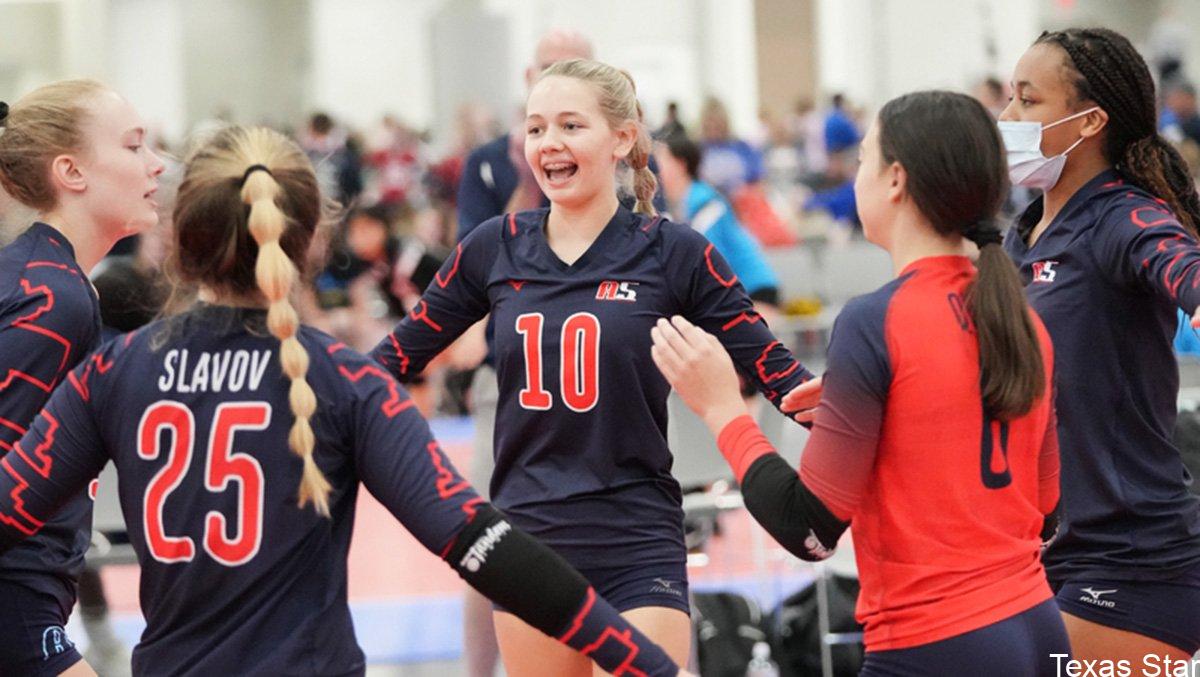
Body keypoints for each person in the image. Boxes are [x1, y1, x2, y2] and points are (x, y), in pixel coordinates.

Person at [0, 125, 690, 677]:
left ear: (178, 239)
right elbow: (481, 541)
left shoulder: (116, 370)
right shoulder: (344, 382)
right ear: (314, 240)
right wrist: (648, 663)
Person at [372, 57, 814, 677]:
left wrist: (848, 409)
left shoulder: (674, 252)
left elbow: (775, 368)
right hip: (528, 542)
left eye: (571, 126)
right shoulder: (492, 248)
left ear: (623, 139)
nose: (548, 143)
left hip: (639, 535)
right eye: (535, 128)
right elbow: (386, 364)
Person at [652, 91, 1068, 676]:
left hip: (933, 644)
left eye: (865, 159)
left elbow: (810, 532)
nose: (856, 176)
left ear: (895, 180)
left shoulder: (877, 321)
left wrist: (723, 408)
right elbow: (1045, 514)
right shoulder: (1022, 318)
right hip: (1037, 627)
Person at [998, 27, 1200, 661]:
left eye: (1029, 101)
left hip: (1136, 560)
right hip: (1047, 555)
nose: (1008, 117)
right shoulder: (1020, 237)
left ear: (1090, 122)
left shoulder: (1126, 217)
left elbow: (1182, 266)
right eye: (1010, 98)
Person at [0, 80, 165, 677]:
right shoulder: (54, 298)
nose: (156, 164)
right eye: (133, 146)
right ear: (71, 171)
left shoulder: (49, 280)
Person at [451, 28, 596, 676]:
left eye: (575, 71)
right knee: (489, 538)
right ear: (527, 81)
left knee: (618, 537)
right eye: (548, 70)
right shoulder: (489, 163)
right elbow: (474, 268)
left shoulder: (619, 159)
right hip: (510, 377)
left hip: (600, 379)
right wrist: (524, 175)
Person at [655, 134, 780, 307]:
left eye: (662, 159)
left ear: (680, 164)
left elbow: (709, 260)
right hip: (735, 291)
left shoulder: (705, 203)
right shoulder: (678, 205)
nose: (655, 167)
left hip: (754, 289)